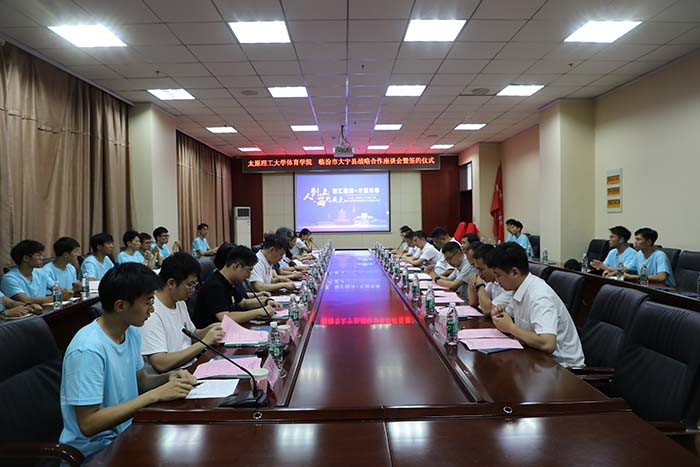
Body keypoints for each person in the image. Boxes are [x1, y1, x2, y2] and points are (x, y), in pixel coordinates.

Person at [59, 263, 196, 459]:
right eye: (148, 302)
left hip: (128, 433)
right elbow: (89, 424)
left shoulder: (131, 331)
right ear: (121, 306)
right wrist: (155, 395)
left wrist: (169, 378)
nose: (152, 309)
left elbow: (140, 382)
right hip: (96, 452)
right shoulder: (87, 350)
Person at [487, 243, 584, 367]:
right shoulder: (519, 288)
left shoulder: (539, 295)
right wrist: (500, 314)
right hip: (536, 358)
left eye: (498, 275)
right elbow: (507, 315)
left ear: (515, 272)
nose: (496, 280)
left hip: (564, 368)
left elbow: (547, 343)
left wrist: (511, 327)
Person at [140, 253, 225, 374]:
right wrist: (205, 342)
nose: (193, 289)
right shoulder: (151, 312)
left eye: (195, 284)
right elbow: (161, 363)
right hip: (170, 377)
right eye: (189, 284)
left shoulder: (179, 301)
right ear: (171, 283)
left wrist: (209, 329)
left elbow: (191, 334)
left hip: (190, 367)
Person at [193, 245, 281, 327]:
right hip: (213, 334)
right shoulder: (214, 286)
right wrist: (259, 312)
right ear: (237, 266)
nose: (249, 275)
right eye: (249, 270)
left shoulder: (230, 281)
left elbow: (243, 303)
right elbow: (225, 317)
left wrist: (265, 302)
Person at [1, 239, 71, 304]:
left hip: (44, 309)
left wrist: (65, 292)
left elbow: (56, 288)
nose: (42, 258)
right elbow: (26, 300)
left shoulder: (40, 272)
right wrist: (57, 298)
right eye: (38, 255)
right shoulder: (9, 279)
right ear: (26, 258)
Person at [467, 244, 513, 316]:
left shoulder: (508, 284)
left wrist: (480, 285)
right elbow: (473, 302)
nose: (479, 274)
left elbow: (488, 310)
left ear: (492, 266)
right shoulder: (491, 282)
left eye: (481, 269)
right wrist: (472, 282)